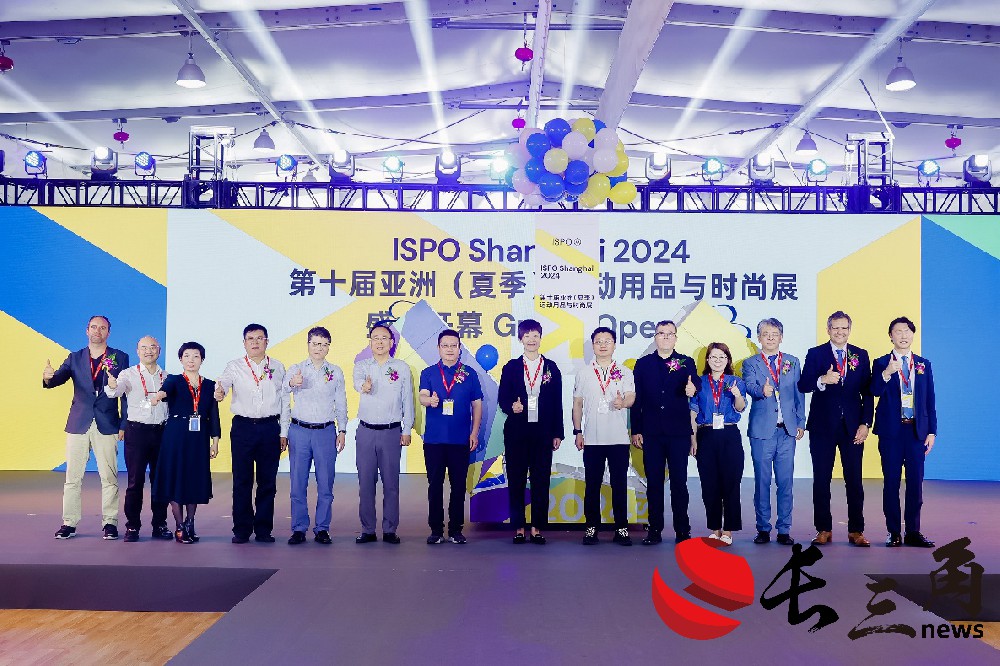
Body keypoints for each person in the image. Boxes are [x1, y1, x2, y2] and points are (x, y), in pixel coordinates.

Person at [43, 315, 128, 540]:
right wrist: (48, 378)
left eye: (102, 328)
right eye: (94, 327)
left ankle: (110, 522)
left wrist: (124, 423)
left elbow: (125, 394)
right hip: (78, 422)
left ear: (109, 332)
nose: (97, 331)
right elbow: (58, 379)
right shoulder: (75, 357)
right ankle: (69, 523)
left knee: (109, 477)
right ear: (86, 330)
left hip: (108, 423)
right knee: (73, 477)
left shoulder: (119, 357)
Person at [798, 311, 873, 547]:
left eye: (844, 328)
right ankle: (823, 529)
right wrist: (822, 379)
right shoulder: (816, 353)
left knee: (854, 479)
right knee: (821, 479)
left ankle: (856, 530)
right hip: (822, 427)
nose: (840, 332)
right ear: (828, 330)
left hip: (852, 427)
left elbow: (867, 392)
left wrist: (865, 423)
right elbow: (803, 384)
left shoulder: (860, 354)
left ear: (849, 330)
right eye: (835, 328)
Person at [215, 324, 290, 544]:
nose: (255, 342)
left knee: (268, 482)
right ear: (244, 343)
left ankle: (264, 529)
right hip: (243, 428)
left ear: (267, 341)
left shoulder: (278, 367)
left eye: (259, 338)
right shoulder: (234, 366)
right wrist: (220, 392)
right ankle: (241, 529)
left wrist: (283, 432)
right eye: (250, 338)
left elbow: (285, 401)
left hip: (270, 428)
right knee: (242, 480)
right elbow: (223, 384)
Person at [631, 320, 700, 545]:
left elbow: (696, 385)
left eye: (670, 333)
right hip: (651, 432)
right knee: (654, 483)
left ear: (676, 338)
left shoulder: (686, 362)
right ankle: (654, 530)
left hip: (678, 433)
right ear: (655, 337)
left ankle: (682, 530)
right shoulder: (643, 364)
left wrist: (693, 388)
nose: (666, 337)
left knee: (679, 482)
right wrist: (636, 429)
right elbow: (637, 399)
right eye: (661, 333)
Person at [871, 317, 937, 548]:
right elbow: (873, 391)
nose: (903, 335)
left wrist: (932, 431)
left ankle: (913, 532)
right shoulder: (881, 363)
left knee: (916, 483)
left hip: (916, 432)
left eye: (907, 331)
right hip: (891, 432)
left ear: (913, 334)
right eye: (898, 331)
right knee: (891, 482)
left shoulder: (923, 364)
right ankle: (893, 532)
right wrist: (887, 373)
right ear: (891, 336)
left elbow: (930, 400)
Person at [497, 319, 564, 545]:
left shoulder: (551, 367)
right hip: (516, 432)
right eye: (527, 336)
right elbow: (502, 398)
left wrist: (557, 433)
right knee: (516, 479)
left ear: (540, 338)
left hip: (543, 432)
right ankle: (518, 526)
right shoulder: (511, 367)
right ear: (520, 339)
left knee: (540, 479)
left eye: (535, 335)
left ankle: (536, 527)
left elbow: (557, 402)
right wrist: (511, 407)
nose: (531, 340)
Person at [741, 319, 805, 546]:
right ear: (759, 337)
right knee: (762, 482)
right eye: (765, 334)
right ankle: (763, 528)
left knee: (786, 482)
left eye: (774, 333)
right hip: (762, 432)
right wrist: (762, 390)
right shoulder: (750, 363)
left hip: (787, 431)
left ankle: (784, 529)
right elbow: (748, 386)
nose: (770, 337)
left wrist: (800, 422)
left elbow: (798, 394)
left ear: (781, 337)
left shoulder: (792, 361)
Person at [150, 342, 220, 543]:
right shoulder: (174, 380)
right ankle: (179, 526)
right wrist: (159, 395)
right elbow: (165, 390)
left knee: (194, 479)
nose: (191, 360)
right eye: (187, 356)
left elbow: (213, 415)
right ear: (181, 359)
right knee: (176, 478)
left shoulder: (210, 385)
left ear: (202, 360)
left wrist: (215, 441)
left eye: (196, 356)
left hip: (198, 438)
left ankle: (190, 522)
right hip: (176, 436)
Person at [418, 329, 483, 545]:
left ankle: (456, 530)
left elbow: (477, 405)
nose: (449, 349)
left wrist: (474, 433)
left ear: (459, 348)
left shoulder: (469, 374)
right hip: (434, 441)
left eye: (453, 345)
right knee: (435, 486)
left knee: (458, 486)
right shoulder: (428, 373)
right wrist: (430, 401)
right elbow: (422, 396)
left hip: (460, 440)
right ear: (438, 348)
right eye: (445, 345)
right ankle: (436, 530)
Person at [284, 326, 348, 546]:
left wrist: (342, 429)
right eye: (315, 343)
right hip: (299, 431)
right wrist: (291, 383)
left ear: (329, 347)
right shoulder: (297, 369)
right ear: (308, 344)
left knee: (325, 483)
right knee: (297, 483)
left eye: (323, 344)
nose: (319, 348)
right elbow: (283, 392)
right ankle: (298, 528)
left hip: (325, 432)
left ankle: (322, 528)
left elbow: (341, 402)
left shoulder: (335, 372)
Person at [104, 336, 172, 542]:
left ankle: (159, 524)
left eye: (152, 347)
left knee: (160, 481)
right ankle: (132, 526)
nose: (148, 351)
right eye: (144, 348)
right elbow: (115, 391)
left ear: (159, 350)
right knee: (135, 481)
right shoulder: (128, 374)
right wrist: (112, 385)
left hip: (162, 433)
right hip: (137, 432)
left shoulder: (167, 377)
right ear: (137, 351)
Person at [573, 327, 636, 546]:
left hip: (618, 439)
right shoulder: (584, 373)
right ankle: (591, 527)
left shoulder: (624, 371)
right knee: (592, 486)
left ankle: (621, 528)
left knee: (619, 485)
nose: (602, 345)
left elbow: (631, 397)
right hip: (592, 439)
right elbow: (577, 404)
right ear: (593, 346)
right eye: (598, 341)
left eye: (607, 341)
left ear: (614, 345)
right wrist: (578, 431)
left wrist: (622, 403)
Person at [354, 323, 414, 545]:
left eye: (384, 338)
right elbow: (357, 383)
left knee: (391, 484)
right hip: (366, 432)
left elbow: (407, 399)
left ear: (391, 342)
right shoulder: (362, 366)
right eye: (375, 338)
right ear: (370, 342)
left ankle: (390, 529)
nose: (379, 342)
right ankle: (368, 529)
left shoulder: (402, 368)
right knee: (365, 483)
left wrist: (407, 429)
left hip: (391, 432)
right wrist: (364, 386)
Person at [689, 342, 746, 546]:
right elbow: (693, 412)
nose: (718, 360)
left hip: (729, 434)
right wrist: (693, 439)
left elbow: (740, 408)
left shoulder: (736, 381)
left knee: (731, 483)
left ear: (728, 360)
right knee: (709, 484)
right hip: (705, 435)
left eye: (722, 357)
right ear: (707, 359)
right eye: (713, 357)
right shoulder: (699, 382)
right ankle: (715, 528)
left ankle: (728, 530)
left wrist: (737, 395)